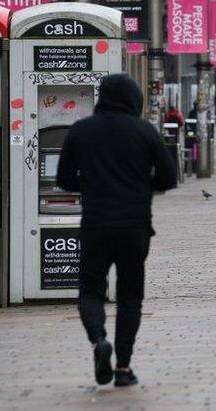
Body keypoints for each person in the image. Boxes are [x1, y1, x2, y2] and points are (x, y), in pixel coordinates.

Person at [56, 74, 178, 387]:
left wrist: (93, 184)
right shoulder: (144, 131)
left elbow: (65, 179)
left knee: (90, 290)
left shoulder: (81, 131)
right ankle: (123, 368)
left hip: (96, 224)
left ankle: (99, 340)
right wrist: (140, 186)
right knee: (130, 297)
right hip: (134, 227)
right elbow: (168, 177)